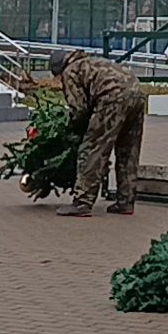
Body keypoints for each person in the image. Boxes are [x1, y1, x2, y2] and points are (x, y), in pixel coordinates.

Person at [48, 47, 146, 217]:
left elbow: (79, 109)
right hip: (137, 92)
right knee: (128, 151)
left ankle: (82, 202)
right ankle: (126, 201)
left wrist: (75, 131)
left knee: (93, 149)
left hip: (112, 98)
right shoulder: (91, 62)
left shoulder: (70, 71)